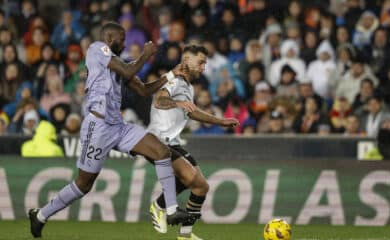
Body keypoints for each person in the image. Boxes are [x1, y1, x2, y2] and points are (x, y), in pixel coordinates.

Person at [28, 22, 192, 238]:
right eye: (121, 39)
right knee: (84, 184)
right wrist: (146, 54)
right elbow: (129, 69)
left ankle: (170, 209)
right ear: (109, 38)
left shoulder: (118, 65)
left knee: (162, 151)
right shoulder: (97, 49)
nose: (124, 43)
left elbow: (144, 90)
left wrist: (172, 75)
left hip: (118, 126)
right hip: (97, 126)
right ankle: (41, 215)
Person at [148, 45, 239, 240]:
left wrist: (220, 121)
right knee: (191, 178)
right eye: (201, 62)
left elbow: (193, 111)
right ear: (186, 60)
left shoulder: (188, 86)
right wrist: (177, 103)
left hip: (173, 143)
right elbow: (159, 101)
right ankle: (159, 206)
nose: (203, 67)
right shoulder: (175, 80)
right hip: (157, 142)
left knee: (201, 187)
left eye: (205, 63)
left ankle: (185, 234)